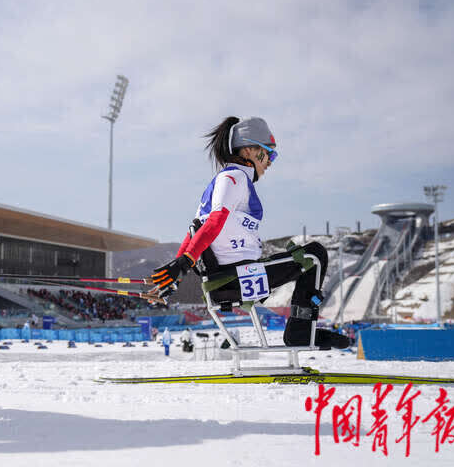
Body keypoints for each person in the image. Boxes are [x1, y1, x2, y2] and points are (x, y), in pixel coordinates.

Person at [148, 116, 349, 350]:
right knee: (314, 256)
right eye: (268, 153)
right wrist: (183, 263)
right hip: (237, 276)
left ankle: (300, 330)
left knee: (308, 257)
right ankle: (301, 332)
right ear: (248, 151)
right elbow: (213, 222)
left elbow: (195, 230)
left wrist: (176, 275)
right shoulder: (233, 178)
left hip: (234, 276)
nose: (271, 162)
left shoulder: (222, 183)